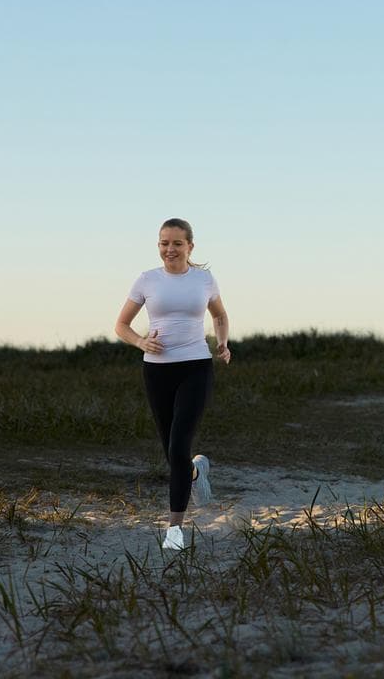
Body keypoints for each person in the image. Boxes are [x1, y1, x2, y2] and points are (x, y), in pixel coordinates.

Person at [114, 218, 230, 551]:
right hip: (157, 371)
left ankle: (174, 529)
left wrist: (222, 344)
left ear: (190, 246)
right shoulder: (147, 280)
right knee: (172, 453)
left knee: (179, 445)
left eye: (177, 243)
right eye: (164, 243)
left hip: (195, 366)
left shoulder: (204, 279)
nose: (170, 249)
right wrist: (140, 342)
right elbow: (121, 325)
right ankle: (194, 473)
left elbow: (220, 316)